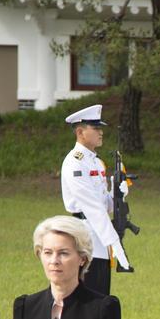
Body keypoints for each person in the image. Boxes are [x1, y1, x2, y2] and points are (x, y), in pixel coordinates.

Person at [60, 104, 132, 296]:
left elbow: (104, 205)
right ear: (80, 132)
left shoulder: (96, 161)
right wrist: (115, 243)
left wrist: (118, 193)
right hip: (85, 234)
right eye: (96, 128)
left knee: (101, 296)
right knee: (89, 298)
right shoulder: (75, 162)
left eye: (100, 128)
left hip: (99, 234)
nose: (101, 132)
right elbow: (91, 207)